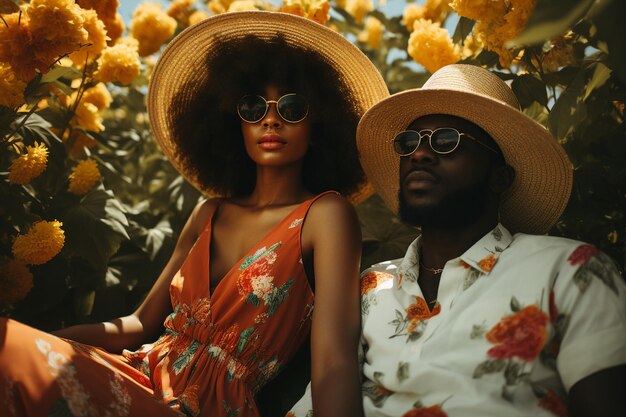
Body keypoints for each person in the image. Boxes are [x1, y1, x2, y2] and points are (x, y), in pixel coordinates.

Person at [0, 11, 389, 417]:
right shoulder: (209, 213)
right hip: (138, 375)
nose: (270, 118)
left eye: (292, 107)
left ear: (319, 124)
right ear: (231, 120)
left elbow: (333, 362)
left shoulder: (326, 215)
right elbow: (138, 324)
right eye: (253, 106)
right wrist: (43, 340)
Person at [289, 64, 626, 417]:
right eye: (408, 143)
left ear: (500, 178)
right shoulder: (369, 287)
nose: (419, 154)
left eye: (447, 141)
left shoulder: (569, 270)